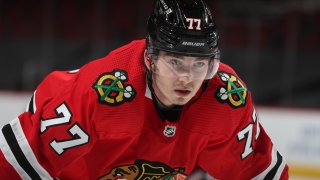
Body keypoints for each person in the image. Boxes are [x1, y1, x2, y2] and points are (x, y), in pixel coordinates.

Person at [0, 0, 289, 179]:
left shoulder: (226, 99)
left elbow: (258, 173)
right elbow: (15, 166)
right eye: (176, 61)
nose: (187, 78)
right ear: (151, 58)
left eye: (200, 63)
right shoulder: (97, 95)